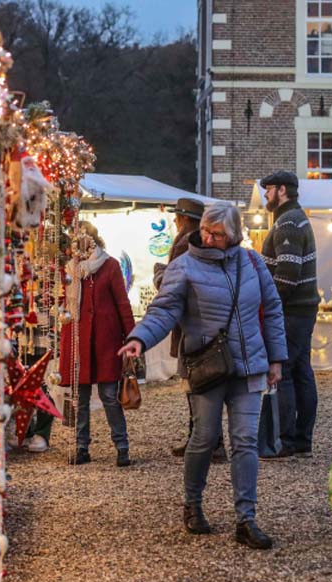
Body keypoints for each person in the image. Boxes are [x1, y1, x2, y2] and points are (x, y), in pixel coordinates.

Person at [119, 202, 287, 549]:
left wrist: (276, 359)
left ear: (234, 235)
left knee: (245, 442)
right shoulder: (184, 267)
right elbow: (164, 311)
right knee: (205, 438)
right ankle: (193, 505)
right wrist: (139, 337)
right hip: (207, 367)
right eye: (206, 231)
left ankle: (246, 518)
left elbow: (271, 309)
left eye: (218, 234)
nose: (209, 238)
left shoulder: (253, 263)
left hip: (249, 367)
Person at [58, 223, 135, 467]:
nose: (79, 244)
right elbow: (64, 302)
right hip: (78, 339)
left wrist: (132, 337)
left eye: (84, 239)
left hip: (105, 340)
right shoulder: (70, 269)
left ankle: (121, 446)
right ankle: (81, 447)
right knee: (80, 398)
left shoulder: (110, 266)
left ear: (93, 240)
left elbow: (122, 303)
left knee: (109, 396)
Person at [156, 198, 225, 462]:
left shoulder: (186, 245)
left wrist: (159, 274)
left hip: (191, 327)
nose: (174, 222)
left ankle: (206, 442)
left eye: (176, 218)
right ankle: (201, 439)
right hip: (198, 325)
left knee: (198, 385)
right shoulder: (194, 244)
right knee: (199, 386)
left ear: (184, 220)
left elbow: (174, 285)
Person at [258, 170, 320, 458]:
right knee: (301, 371)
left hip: (292, 310)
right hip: (302, 308)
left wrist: (270, 305)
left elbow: (288, 274)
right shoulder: (295, 217)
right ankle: (301, 438)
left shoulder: (288, 222)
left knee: (285, 372)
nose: (265, 195)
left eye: (268, 189)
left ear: (282, 190)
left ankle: (289, 439)